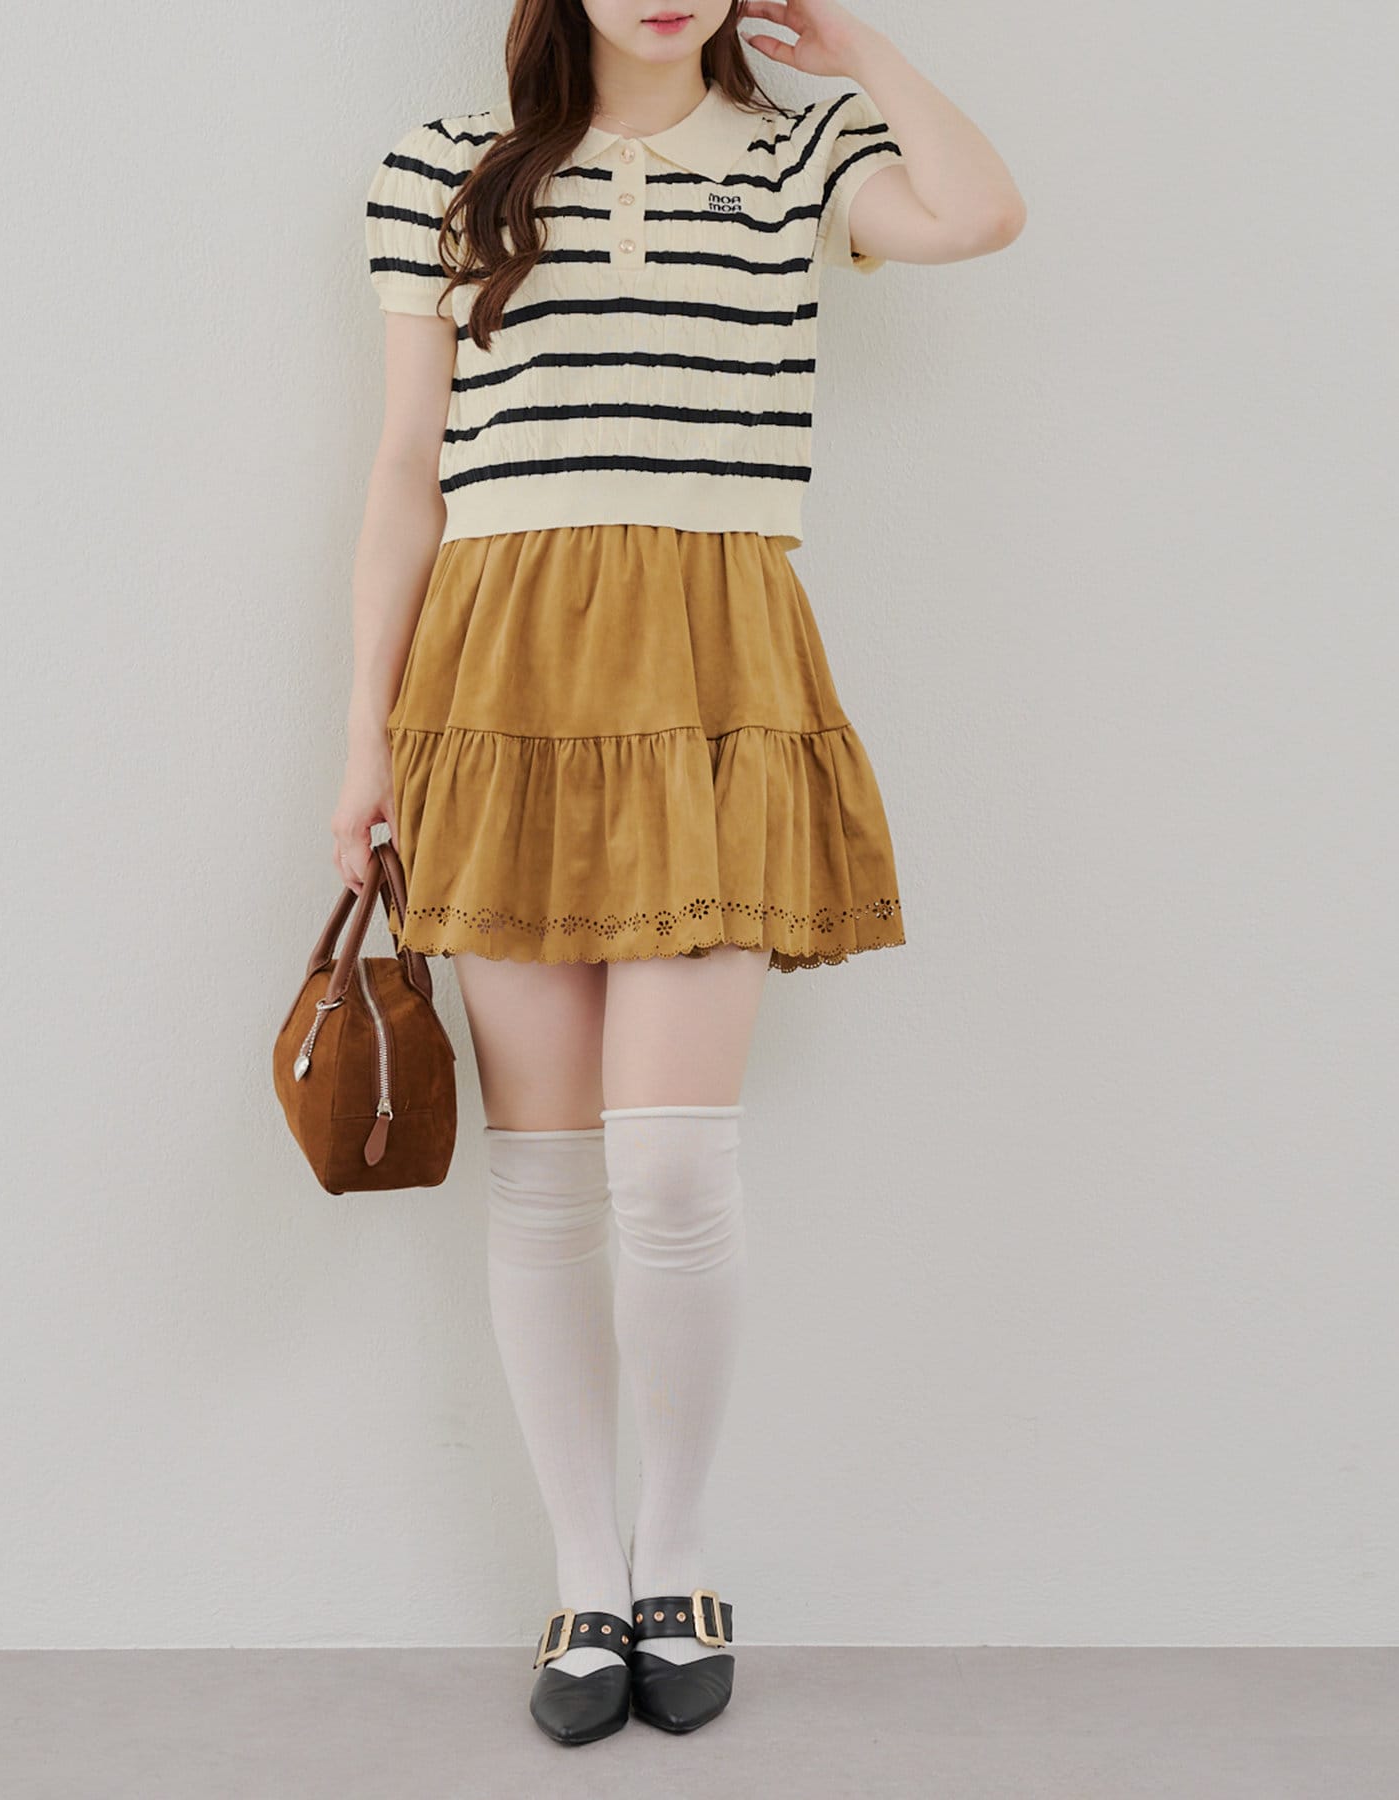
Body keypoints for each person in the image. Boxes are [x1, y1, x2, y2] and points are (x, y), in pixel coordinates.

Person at [337, 0, 1025, 1748]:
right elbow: (405, 471)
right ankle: (583, 1576)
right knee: (546, 1175)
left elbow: (979, 213)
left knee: (670, 1165)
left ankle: (681, 1557)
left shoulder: (801, 152)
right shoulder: (447, 169)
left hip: (717, 664)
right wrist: (364, 743)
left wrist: (857, 49)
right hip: (499, 671)